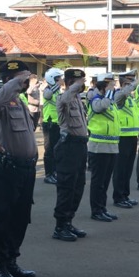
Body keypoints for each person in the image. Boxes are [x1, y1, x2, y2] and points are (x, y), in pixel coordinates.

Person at [0, 60, 38, 277]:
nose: (26, 82)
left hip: (26, 168)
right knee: (1, 217)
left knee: (20, 217)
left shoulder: (20, 101)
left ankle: (11, 260)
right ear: (9, 79)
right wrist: (18, 80)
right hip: (6, 168)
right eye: (21, 77)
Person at [52, 68, 89, 241]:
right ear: (68, 83)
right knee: (66, 187)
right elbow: (65, 98)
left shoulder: (78, 99)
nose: (82, 84)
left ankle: (68, 221)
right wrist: (75, 86)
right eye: (78, 81)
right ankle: (60, 226)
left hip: (80, 146)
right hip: (69, 147)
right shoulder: (63, 98)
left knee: (78, 186)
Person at [86, 73, 120, 222]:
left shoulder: (110, 101)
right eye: (111, 85)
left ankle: (102, 208)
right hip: (98, 147)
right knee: (98, 181)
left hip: (111, 146)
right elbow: (99, 108)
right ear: (103, 86)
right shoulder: (95, 99)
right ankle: (96, 210)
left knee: (106, 181)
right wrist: (110, 93)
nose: (114, 87)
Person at [112, 70, 139, 209]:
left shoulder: (130, 98)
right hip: (122, 137)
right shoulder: (119, 95)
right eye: (128, 83)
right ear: (122, 84)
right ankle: (118, 196)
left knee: (128, 169)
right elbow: (120, 96)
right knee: (120, 169)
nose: (132, 86)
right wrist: (130, 87)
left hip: (132, 136)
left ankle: (125, 195)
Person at [41, 68, 64, 185]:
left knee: (56, 150)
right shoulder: (48, 89)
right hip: (49, 124)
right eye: (59, 78)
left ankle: (54, 172)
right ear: (53, 79)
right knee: (49, 150)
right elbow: (47, 96)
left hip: (57, 124)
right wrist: (57, 85)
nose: (61, 80)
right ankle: (48, 174)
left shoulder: (58, 91)